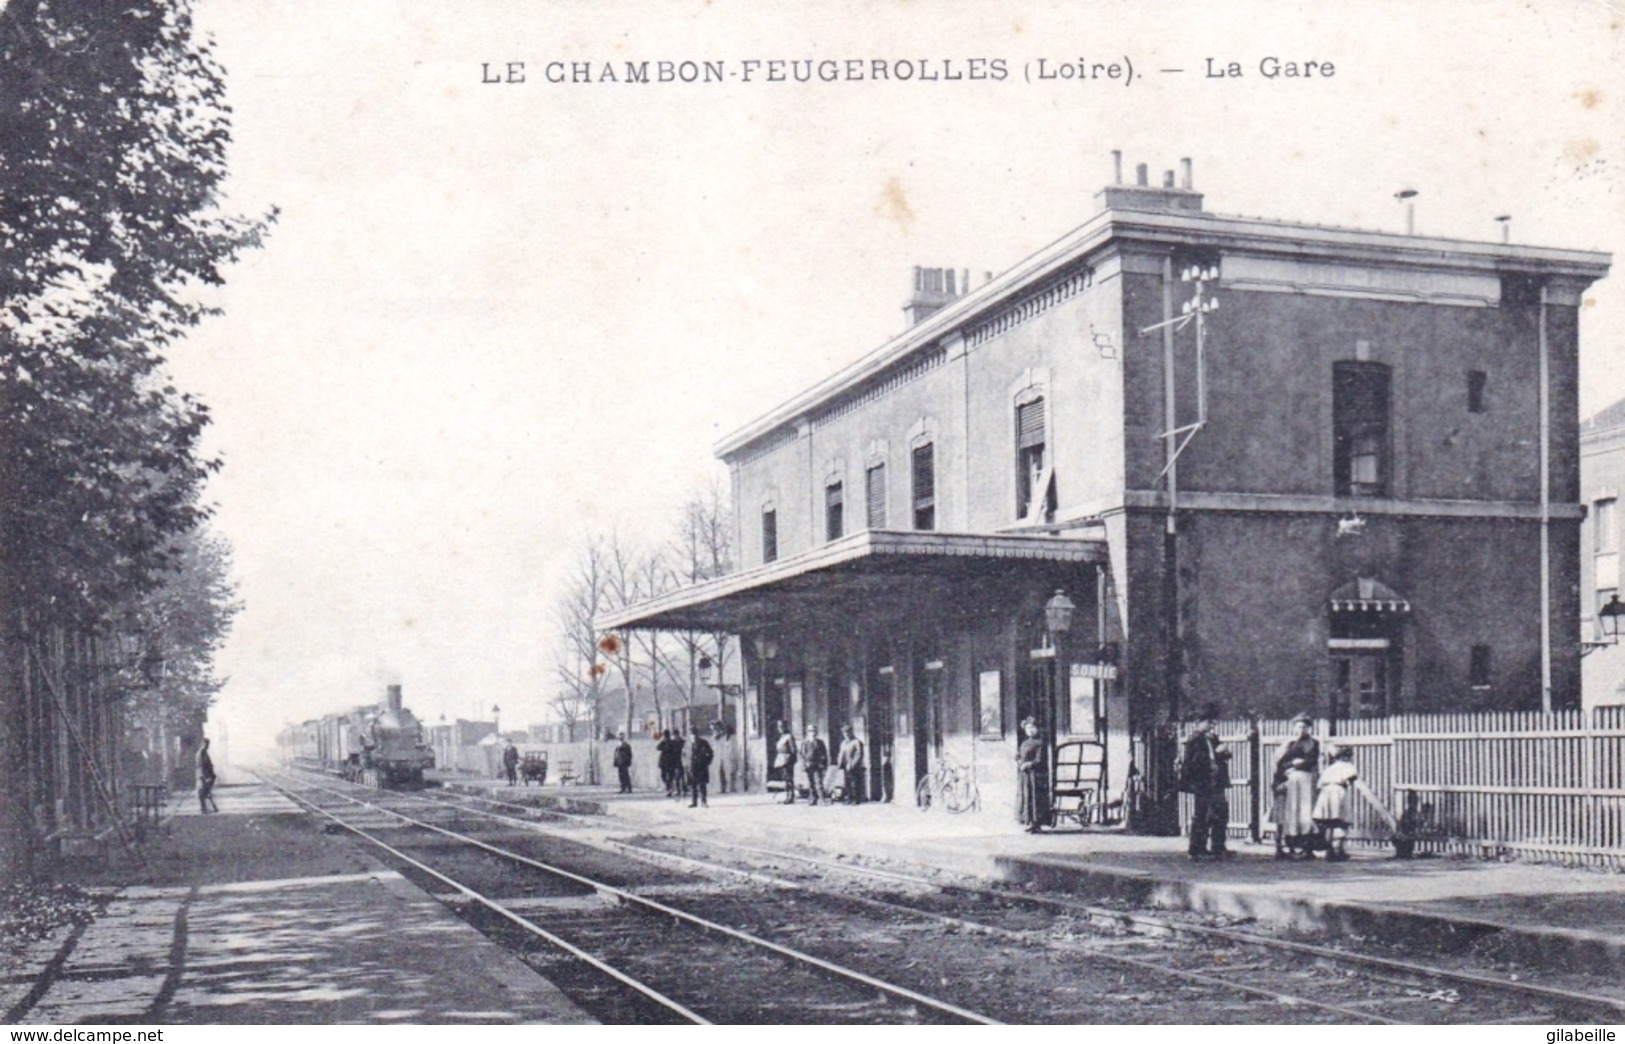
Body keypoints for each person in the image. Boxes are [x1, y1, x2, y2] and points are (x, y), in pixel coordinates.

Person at [1180, 710, 1232, 860]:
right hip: (1203, 782)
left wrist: (1224, 752)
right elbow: (1194, 762)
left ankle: (1218, 847)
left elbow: (1224, 755)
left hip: (1216, 781)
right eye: (1209, 723)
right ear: (1200, 723)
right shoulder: (1194, 740)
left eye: (1213, 723)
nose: (1212, 726)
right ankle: (1196, 849)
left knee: (1220, 814)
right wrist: (1216, 753)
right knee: (1202, 815)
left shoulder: (1212, 738)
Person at [1274, 714, 1322, 859]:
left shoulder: (1313, 743)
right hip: (1291, 780)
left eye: (1304, 727)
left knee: (1307, 811)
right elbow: (1281, 763)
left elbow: (1312, 760)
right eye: (1299, 726)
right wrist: (1291, 765)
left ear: (1309, 728)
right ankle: (1290, 846)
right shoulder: (1288, 744)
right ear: (1294, 728)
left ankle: (1308, 847)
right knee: (1292, 811)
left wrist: (1300, 764)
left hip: (1307, 779)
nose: (1301, 729)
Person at [1313, 744, 1358, 861]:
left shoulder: (1329, 768)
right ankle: (1339, 849)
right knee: (1340, 820)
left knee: (1329, 822)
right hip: (1338, 792)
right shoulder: (1348, 766)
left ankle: (1329, 850)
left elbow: (1319, 785)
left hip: (1326, 792)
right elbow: (1352, 778)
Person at [1016, 717, 1047, 832]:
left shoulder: (1040, 743)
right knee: (1026, 796)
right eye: (1028, 728)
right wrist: (1018, 759)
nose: (1030, 730)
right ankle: (1029, 821)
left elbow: (1039, 759)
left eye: (1033, 728)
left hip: (1035, 774)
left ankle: (1037, 823)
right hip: (1025, 775)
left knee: (1035, 797)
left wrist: (1028, 764)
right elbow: (1020, 754)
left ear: (1037, 729)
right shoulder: (1025, 742)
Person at [836, 724, 866, 805]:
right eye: (844, 733)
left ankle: (856, 799)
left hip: (855, 766)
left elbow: (859, 754)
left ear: (851, 732)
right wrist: (839, 763)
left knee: (855, 783)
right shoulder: (843, 743)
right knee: (847, 783)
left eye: (848, 732)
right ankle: (849, 798)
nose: (846, 734)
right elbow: (841, 753)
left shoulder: (856, 742)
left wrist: (853, 764)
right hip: (845, 765)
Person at [800, 726, 830, 805]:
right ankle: (812, 799)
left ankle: (822, 799)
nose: (812, 733)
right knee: (811, 783)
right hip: (808, 764)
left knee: (818, 782)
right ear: (807, 732)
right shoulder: (805, 742)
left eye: (814, 731)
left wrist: (824, 764)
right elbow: (802, 754)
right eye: (810, 731)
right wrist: (804, 764)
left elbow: (824, 754)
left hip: (818, 764)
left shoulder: (820, 742)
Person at [773, 721, 798, 803]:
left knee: (789, 779)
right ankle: (787, 794)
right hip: (781, 759)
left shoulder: (789, 737)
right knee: (785, 779)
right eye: (779, 727)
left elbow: (793, 750)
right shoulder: (781, 737)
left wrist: (791, 760)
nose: (780, 729)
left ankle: (790, 796)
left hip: (787, 760)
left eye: (782, 726)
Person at [688, 728, 714, 807]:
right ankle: (694, 802)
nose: (694, 736)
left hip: (702, 766)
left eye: (695, 734)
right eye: (692, 734)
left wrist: (707, 762)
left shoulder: (704, 743)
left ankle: (703, 801)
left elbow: (710, 753)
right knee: (693, 785)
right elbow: (685, 755)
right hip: (692, 766)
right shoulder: (688, 744)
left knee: (702, 784)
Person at [196, 738, 218, 814]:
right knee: (203, 792)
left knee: (205, 792)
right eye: (206, 744)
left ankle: (206, 808)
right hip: (203, 776)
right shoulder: (201, 753)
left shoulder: (204, 753)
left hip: (206, 776)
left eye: (208, 744)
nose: (207, 746)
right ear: (202, 744)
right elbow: (201, 766)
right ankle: (204, 809)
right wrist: (204, 777)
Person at [657, 729, 677, 796]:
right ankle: (669, 788)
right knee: (666, 776)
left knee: (666, 776)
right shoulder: (666, 742)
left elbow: (659, 747)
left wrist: (664, 744)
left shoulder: (670, 742)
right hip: (666, 762)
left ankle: (669, 788)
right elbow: (658, 747)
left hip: (668, 762)